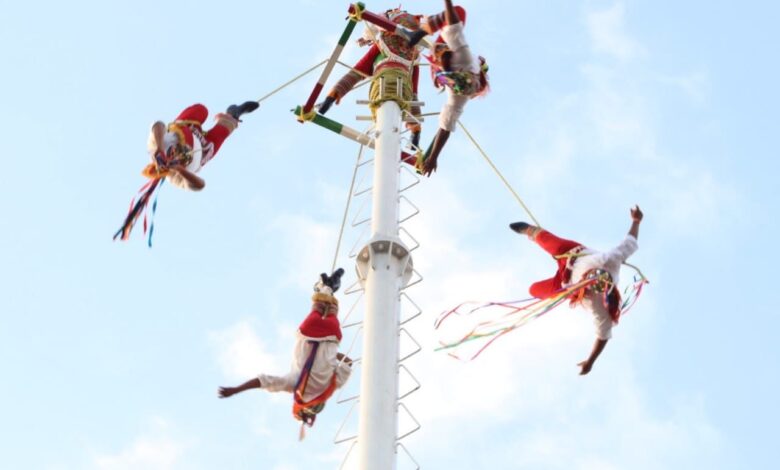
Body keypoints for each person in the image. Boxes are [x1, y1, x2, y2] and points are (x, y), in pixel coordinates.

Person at [509, 206, 644, 375]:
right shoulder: (611, 259)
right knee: (547, 240)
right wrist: (636, 221)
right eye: (596, 273)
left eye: (595, 282)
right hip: (572, 253)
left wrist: (590, 361)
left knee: (534, 290)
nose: (594, 276)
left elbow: (603, 336)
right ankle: (529, 230)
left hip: (565, 284)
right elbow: (630, 243)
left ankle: (540, 281)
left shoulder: (598, 306)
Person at [218, 269, 353, 429]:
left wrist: (329, 356)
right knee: (318, 306)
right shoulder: (294, 386)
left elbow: (348, 363)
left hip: (331, 336)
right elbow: (262, 381)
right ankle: (325, 288)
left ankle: (329, 288)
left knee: (331, 311)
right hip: (308, 333)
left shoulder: (332, 385)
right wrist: (236, 390)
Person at [402, 1, 489, 176]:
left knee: (444, 77)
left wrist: (433, 157)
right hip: (447, 52)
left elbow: (446, 126)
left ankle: (440, 75)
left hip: (442, 67)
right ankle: (423, 32)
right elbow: (455, 21)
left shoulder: (458, 97)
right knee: (459, 12)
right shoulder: (465, 58)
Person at [319, 8, 424, 151]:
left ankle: (413, 129)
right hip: (403, 85)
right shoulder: (414, 56)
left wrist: (332, 95)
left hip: (383, 83)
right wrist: (415, 125)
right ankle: (414, 130)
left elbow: (356, 72)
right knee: (405, 96)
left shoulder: (381, 45)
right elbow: (413, 91)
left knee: (387, 101)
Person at [144, 101, 259, 190]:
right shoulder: (174, 177)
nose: (175, 154)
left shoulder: (157, 147)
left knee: (201, 110)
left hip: (187, 127)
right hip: (204, 147)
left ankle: (230, 115)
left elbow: (158, 124)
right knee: (224, 130)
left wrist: (159, 148)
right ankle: (233, 113)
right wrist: (180, 170)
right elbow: (200, 185)